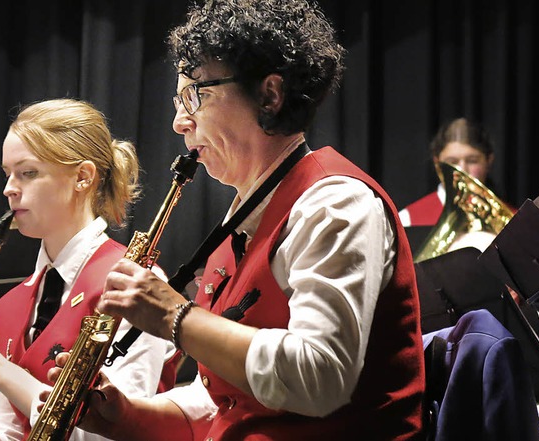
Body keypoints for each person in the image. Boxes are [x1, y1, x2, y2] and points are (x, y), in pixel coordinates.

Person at [44, 1, 426, 440]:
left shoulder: (336, 204)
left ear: (269, 94)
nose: (178, 122)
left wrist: (175, 315)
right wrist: (127, 416)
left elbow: (321, 377)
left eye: (195, 95)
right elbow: (220, 399)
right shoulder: (243, 217)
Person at [0, 98, 172, 440]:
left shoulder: (133, 283)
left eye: (28, 173)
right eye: (7, 174)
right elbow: (11, 435)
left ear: (82, 177)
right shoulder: (11, 305)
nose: (8, 189)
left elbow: (113, 434)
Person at [399, 117, 499, 228]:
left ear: (489, 161)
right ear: (437, 164)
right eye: (452, 162)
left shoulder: (511, 222)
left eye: (472, 161)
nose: (462, 170)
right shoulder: (407, 219)